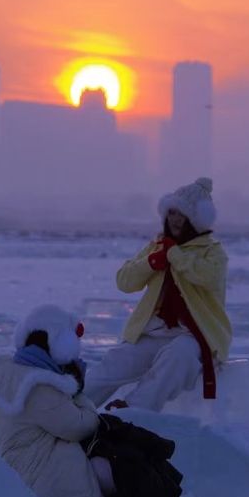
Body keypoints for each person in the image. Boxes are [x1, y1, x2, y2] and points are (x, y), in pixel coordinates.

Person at [84, 176, 232, 412]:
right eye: (171, 213)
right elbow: (124, 281)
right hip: (156, 331)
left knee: (178, 357)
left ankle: (131, 409)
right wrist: (152, 262)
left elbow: (209, 277)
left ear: (195, 218)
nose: (174, 219)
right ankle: (74, 406)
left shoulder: (213, 252)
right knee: (118, 360)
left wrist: (175, 256)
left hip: (195, 335)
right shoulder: (157, 246)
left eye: (181, 214)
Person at [0, 305, 111, 497]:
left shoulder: (13, 374)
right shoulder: (38, 386)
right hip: (48, 472)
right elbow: (79, 426)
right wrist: (79, 394)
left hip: (26, 468)